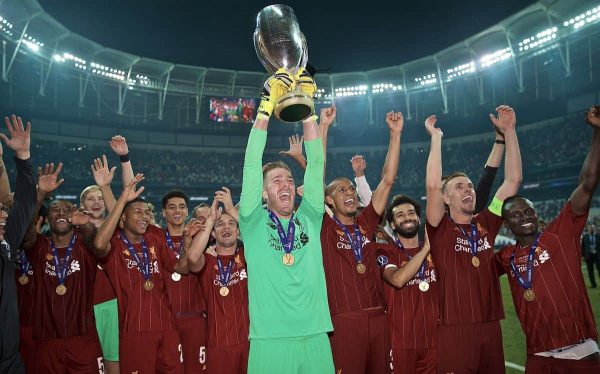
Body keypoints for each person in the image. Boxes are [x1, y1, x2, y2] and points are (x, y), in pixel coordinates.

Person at [239, 68, 334, 373]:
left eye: (289, 180)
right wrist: (266, 107)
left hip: (316, 333)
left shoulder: (310, 217)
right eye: (276, 180)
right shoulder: (252, 222)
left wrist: (307, 110)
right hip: (270, 339)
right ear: (264, 193)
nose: (286, 185)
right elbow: (252, 162)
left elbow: (316, 163)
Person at [496, 105, 600, 373]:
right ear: (507, 225)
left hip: (581, 352)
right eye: (516, 215)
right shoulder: (504, 258)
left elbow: (587, 183)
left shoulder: (560, 233)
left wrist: (598, 133)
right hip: (539, 357)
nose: (525, 216)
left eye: (529, 210)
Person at [424, 105, 522, 373]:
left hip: (491, 325)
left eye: (469, 185)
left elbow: (512, 181)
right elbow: (433, 185)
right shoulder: (439, 228)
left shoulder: (486, 223)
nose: (467, 189)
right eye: (459, 186)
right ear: (446, 199)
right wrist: (436, 138)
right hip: (454, 327)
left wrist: (510, 132)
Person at [321, 110, 402, 374]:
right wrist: (323, 129)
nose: (350, 193)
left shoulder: (366, 223)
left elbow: (388, 180)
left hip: (379, 316)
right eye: (341, 190)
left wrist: (395, 134)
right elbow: (314, 179)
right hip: (343, 320)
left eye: (351, 189)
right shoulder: (324, 226)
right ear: (329, 200)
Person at [94, 174, 190, 373]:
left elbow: (182, 268)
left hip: (167, 326)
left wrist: (187, 242)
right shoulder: (115, 246)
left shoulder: (154, 240)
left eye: (147, 212)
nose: (144, 216)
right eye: (137, 211)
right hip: (134, 330)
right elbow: (98, 244)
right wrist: (121, 199)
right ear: (123, 217)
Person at [20, 163, 102, 373]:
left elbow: (97, 242)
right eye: (55, 210)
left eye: (67, 210)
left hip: (83, 338)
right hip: (47, 339)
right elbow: (26, 236)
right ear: (48, 218)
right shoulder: (40, 247)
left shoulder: (85, 246)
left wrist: (85, 224)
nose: (61, 213)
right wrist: (41, 194)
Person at [374, 195, 436, 374]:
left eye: (411, 213)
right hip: (399, 343)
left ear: (418, 218)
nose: (407, 217)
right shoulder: (385, 251)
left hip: (433, 342)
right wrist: (425, 250)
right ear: (392, 224)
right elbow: (397, 280)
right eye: (400, 215)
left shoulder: (435, 252)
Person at [188, 200, 249, 374]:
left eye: (232, 224)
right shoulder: (207, 260)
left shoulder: (248, 257)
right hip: (217, 346)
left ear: (238, 231)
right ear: (213, 233)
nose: (226, 227)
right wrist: (209, 221)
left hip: (250, 343)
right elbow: (192, 258)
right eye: (220, 225)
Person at [0, 115, 37, 374]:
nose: (5, 215)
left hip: (10, 359)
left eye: (4, 211)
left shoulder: (7, 242)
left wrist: (23, 157)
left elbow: (24, 202)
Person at [160, 190, 207, 373]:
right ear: (164, 212)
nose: (177, 211)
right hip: (165, 320)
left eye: (181, 207)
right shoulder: (154, 238)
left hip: (194, 319)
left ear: (188, 211)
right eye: (171, 207)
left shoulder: (201, 239)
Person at [582, 223, 600, 288]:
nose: (591, 229)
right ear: (588, 229)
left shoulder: (598, 236)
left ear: (594, 228)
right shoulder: (585, 236)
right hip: (588, 256)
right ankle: (593, 284)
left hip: (597, 255)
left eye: (592, 228)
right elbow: (583, 247)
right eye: (590, 228)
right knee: (590, 271)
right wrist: (583, 256)